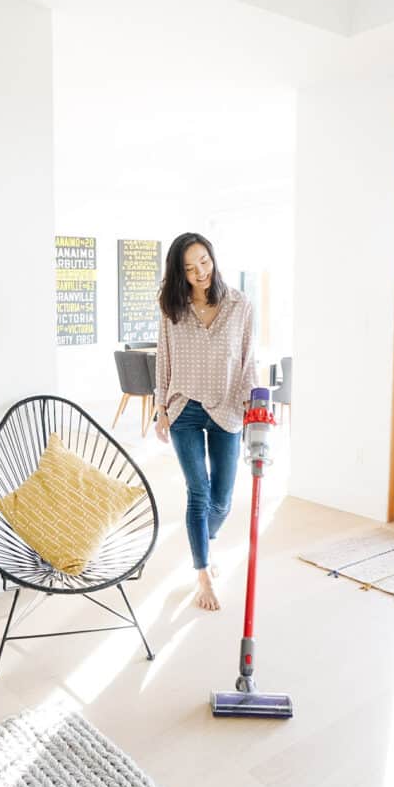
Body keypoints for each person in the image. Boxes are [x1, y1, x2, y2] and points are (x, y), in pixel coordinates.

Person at [154, 232, 257, 611]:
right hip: (184, 408)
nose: (200, 272)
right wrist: (160, 410)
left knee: (222, 501)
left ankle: (203, 540)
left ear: (212, 258)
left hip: (228, 408)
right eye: (190, 267)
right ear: (179, 273)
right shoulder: (172, 309)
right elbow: (163, 359)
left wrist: (254, 405)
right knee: (197, 493)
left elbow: (248, 360)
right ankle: (202, 573)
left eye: (204, 261)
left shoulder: (240, 304)